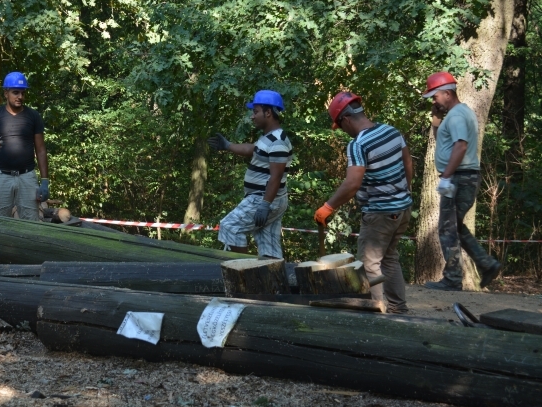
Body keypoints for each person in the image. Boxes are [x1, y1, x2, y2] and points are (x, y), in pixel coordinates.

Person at [314, 92, 413, 313]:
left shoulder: (358, 144)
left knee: (369, 264)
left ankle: (374, 312)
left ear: (346, 120)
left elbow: (352, 183)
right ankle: (398, 308)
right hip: (403, 208)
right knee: (389, 258)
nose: (342, 131)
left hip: (380, 213)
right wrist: (402, 192)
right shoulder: (391, 131)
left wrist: (328, 207)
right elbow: (408, 164)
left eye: (340, 126)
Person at [421, 72, 502, 290]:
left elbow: (460, 146)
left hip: (460, 177)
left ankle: (453, 279)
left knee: (447, 228)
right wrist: (436, 118)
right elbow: (444, 143)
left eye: (435, 96)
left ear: (447, 93)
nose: (433, 100)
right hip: (463, 176)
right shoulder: (458, 113)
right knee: (454, 226)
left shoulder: (457, 116)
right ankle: (487, 264)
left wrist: (446, 176)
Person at [208, 90, 293, 259]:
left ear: (268, 113)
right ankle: (272, 282)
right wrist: (228, 145)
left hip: (264, 198)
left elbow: (276, 177)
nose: (252, 117)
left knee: (230, 227)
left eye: (255, 112)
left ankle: (244, 273)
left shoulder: (278, 142)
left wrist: (265, 204)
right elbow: (252, 150)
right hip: (269, 199)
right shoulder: (269, 138)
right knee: (269, 245)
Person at [0, 72, 49, 220]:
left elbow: (40, 150)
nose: (20, 97)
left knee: (31, 223)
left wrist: (45, 180)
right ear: (6, 93)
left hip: (27, 176)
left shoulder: (33, 116)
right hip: (1, 177)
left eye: (23, 93)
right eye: (15, 92)